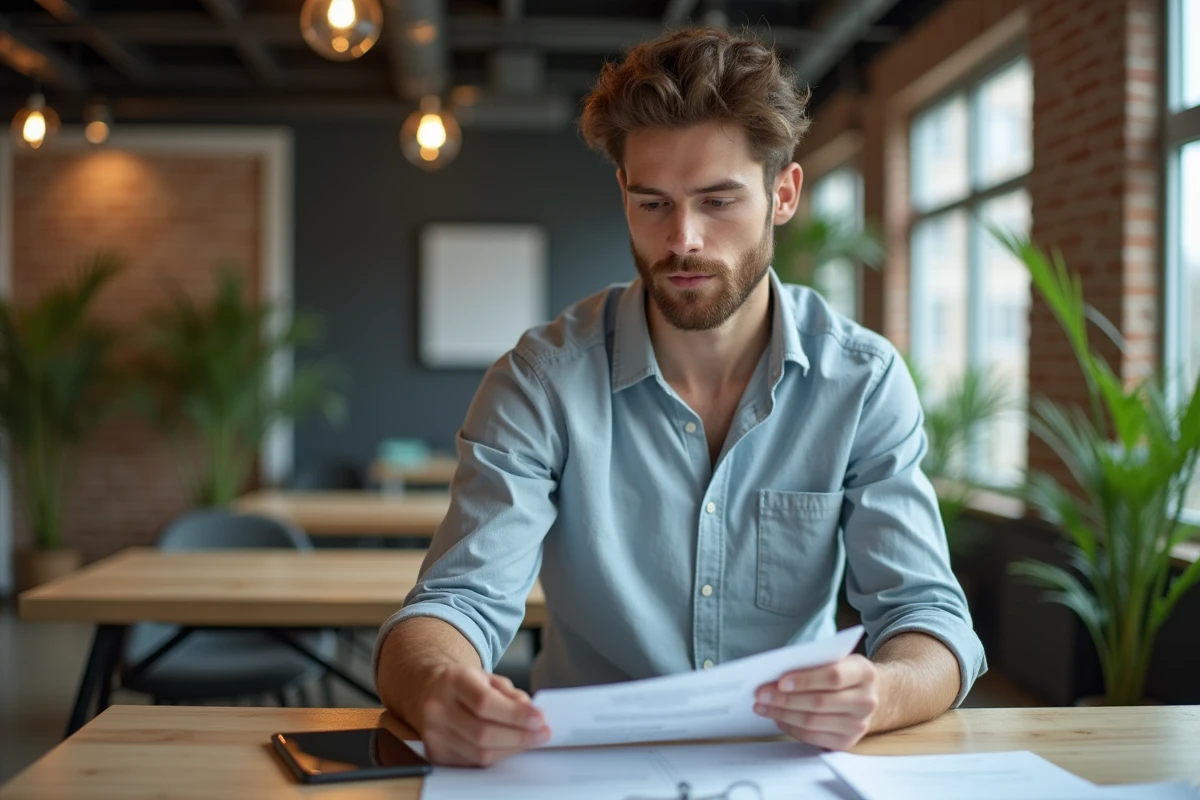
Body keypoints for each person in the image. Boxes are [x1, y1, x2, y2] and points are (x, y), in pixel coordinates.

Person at [374, 26, 985, 767]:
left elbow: (928, 616)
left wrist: (880, 691)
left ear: (782, 195)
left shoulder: (861, 381)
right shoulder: (540, 382)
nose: (683, 239)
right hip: (582, 774)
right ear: (624, 193)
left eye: (718, 201)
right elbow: (453, 604)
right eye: (654, 203)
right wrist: (440, 687)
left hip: (786, 768)